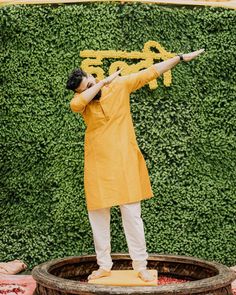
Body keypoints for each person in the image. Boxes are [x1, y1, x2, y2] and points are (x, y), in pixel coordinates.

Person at [66, 48, 205, 282]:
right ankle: (104, 265)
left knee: (132, 217)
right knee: (98, 220)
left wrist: (179, 58)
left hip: (125, 164)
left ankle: (140, 265)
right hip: (98, 168)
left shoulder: (120, 86)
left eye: (90, 84)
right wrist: (100, 85)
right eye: (86, 89)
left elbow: (151, 72)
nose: (90, 90)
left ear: (93, 78)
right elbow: (77, 104)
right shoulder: (82, 102)